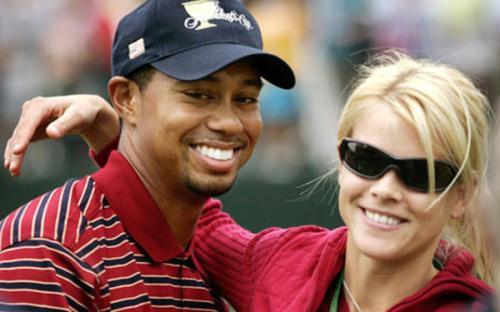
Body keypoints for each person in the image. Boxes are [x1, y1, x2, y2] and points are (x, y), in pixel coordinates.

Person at [4, 51, 494, 311]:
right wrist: (122, 133)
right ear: (340, 162)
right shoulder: (285, 264)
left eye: (420, 174)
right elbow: (199, 222)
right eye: (366, 158)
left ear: (461, 196)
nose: (386, 187)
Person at [0, 0, 296, 310]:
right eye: (198, 95)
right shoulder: (49, 249)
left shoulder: (213, 258)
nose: (229, 122)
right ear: (126, 99)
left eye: (246, 99)